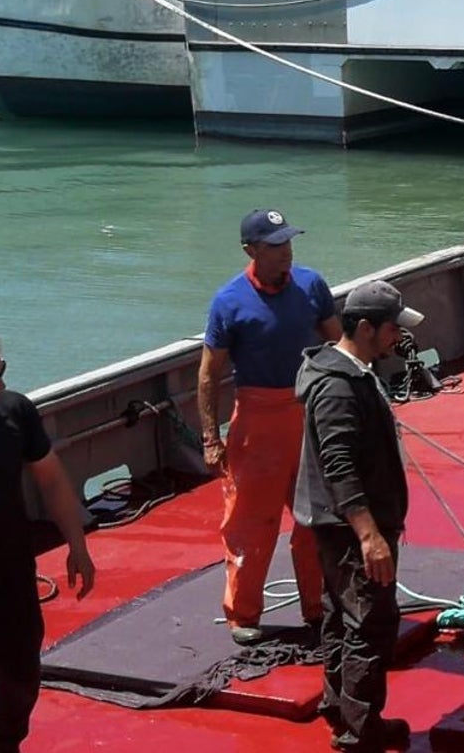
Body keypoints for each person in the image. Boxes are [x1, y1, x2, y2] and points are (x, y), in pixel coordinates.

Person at [198, 208, 342, 645]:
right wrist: (211, 437)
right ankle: (243, 614)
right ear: (251, 250)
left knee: (316, 517)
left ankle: (318, 606)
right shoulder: (228, 301)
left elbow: (338, 344)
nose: (287, 251)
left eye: (288, 242)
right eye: (275, 245)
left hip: (309, 410)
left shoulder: (312, 284)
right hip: (257, 419)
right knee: (249, 522)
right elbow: (209, 375)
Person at [293, 279, 424, 753]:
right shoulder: (338, 389)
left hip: (338, 525)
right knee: (369, 623)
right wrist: (370, 535)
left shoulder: (354, 373)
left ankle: (340, 709)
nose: (398, 338)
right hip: (351, 528)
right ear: (365, 328)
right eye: (392, 329)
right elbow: (339, 464)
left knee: (339, 617)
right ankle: (360, 732)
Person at [0, 329, 96, 753]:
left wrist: (78, 545)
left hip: (9, 574)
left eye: (3, 373)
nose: (1, 385)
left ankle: (3, 741)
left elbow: (51, 481)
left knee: (20, 678)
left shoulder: (15, 412)